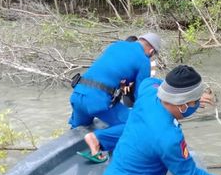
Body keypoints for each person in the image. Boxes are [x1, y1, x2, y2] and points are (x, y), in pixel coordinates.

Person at [69, 33, 161, 161]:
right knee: (139, 124)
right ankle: (97, 139)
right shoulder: (144, 61)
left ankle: (76, 136)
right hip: (97, 102)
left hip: (77, 96)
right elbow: (141, 95)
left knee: (78, 128)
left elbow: (109, 69)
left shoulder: (116, 45)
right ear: (151, 51)